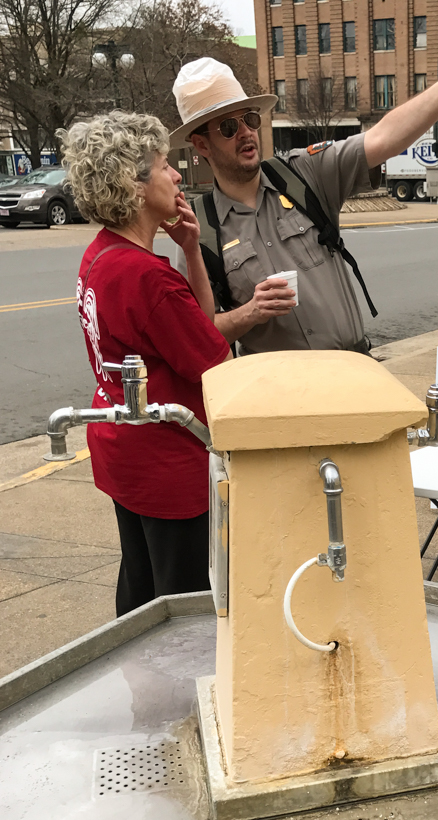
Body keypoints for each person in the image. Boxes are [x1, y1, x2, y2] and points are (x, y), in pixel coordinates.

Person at [168, 24, 438, 355]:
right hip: (277, 398)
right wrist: (250, 312)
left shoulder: (303, 174)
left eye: (250, 119)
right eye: (229, 127)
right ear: (202, 144)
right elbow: (198, 333)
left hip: (352, 376)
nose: (246, 133)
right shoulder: (199, 232)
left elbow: (382, 138)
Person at [59, 111, 232, 617]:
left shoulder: (101, 256)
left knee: (140, 591)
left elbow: (197, 331)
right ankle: (175, 698)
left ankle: (141, 691)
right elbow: (215, 359)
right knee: (184, 609)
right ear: (132, 185)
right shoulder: (146, 278)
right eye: (164, 166)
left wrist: (191, 252)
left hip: (126, 455)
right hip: (170, 467)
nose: (177, 175)